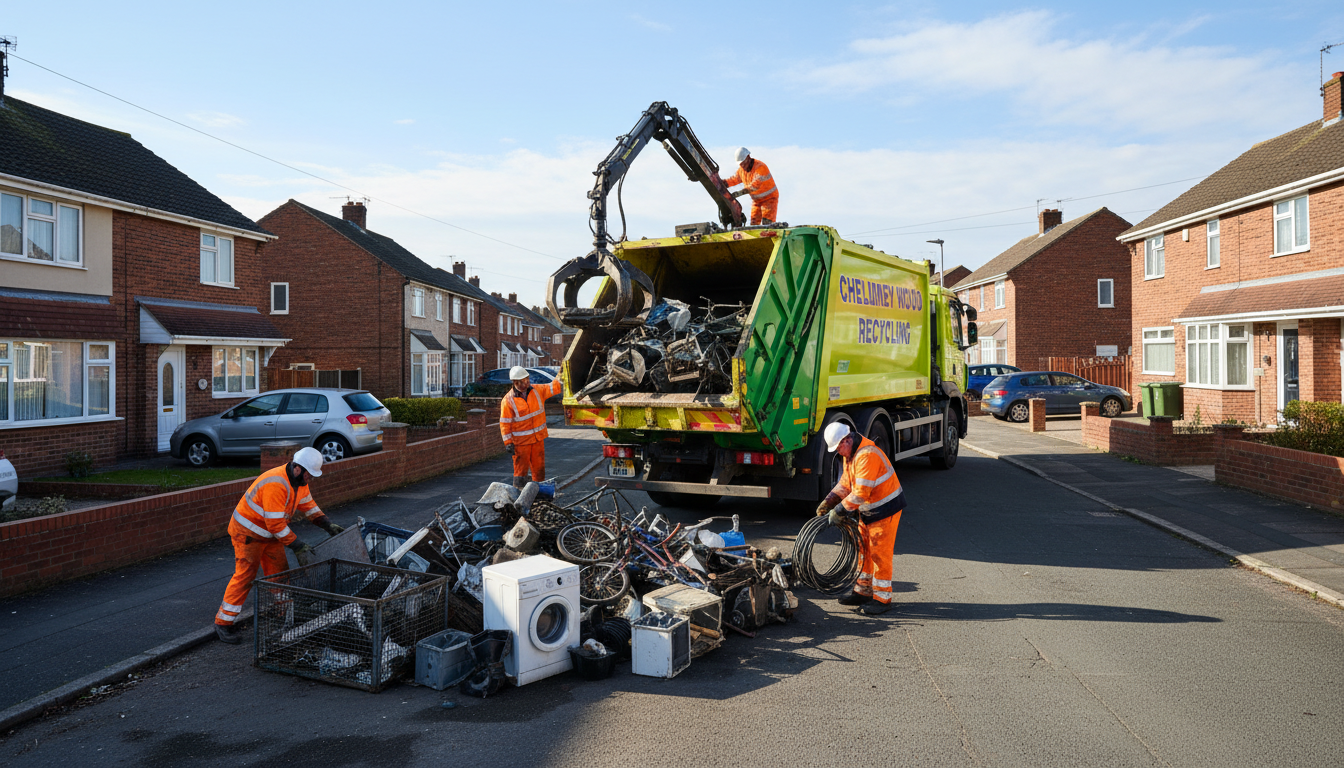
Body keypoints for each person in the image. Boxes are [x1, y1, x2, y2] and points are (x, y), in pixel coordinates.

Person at [214, 446, 342, 644]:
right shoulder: (276, 483)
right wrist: (297, 545)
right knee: (245, 575)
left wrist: (326, 524)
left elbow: (308, 505)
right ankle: (223, 622)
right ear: (298, 468)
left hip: (270, 536)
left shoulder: (299, 483)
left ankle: (284, 612)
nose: (311, 479)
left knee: (280, 573)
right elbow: (274, 524)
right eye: (309, 474)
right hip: (248, 534)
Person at [814, 423, 906, 615]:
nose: (838, 452)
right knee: (863, 549)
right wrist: (829, 501)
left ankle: (882, 599)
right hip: (869, 510)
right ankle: (863, 591)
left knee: (879, 554)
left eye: (838, 447)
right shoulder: (851, 454)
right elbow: (846, 483)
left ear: (847, 440)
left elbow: (860, 494)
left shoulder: (867, 455)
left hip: (885, 509)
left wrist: (838, 511)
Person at [500, 366, 564, 488]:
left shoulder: (537, 390)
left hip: (537, 440)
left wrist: (562, 373)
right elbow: (504, 423)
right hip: (521, 443)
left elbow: (554, 387)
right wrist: (508, 442)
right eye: (523, 381)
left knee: (539, 470)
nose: (527, 383)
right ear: (515, 382)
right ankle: (518, 494)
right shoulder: (508, 401)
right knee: (520, 472)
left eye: (527, 380)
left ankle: (538, 494)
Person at [721, 147, 779, 226]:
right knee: (754, 224)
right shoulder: (742, 170)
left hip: (769, 199)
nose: (743, 166)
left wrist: (739, 193)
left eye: (743, 163)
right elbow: (735, 179)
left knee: (767, 223)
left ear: (748, 157)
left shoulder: (760, 167)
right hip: (757, 201)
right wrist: (723, 183)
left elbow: (755, 185)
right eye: (741, 164)